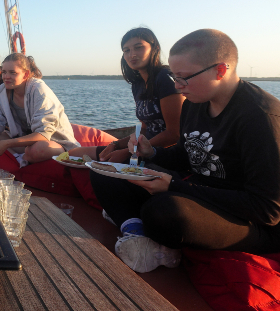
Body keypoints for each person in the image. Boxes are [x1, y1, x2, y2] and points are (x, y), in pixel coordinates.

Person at [90, 29, 280, 274]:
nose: (178, 87)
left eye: (184, 78)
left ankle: (142, 225)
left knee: (164, 212)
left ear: (220, 70)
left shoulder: (260, 118)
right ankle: (135, 231)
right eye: (174, 77)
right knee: (104, 171)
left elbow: (268, 209)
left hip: (250, 221)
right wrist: (152, 154)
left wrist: (173, 186)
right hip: (198, 192)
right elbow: (186, 154)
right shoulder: (194, 103)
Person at [70, 27, 184, 162]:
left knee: (102, 167)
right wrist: (115, 144)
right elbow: (145, 129)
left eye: (138, 47)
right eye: (126, 50)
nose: (132, 54)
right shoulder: (138, 84)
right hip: (142, 147)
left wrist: (129, 153)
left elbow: (174, 134)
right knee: (74, 154)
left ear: (155, 48)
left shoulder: (165, 78)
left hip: (163, 152)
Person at [0, 53, 80, 165]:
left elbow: (43, 134)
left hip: (52, 141)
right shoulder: (1, 92)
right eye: (4, 72)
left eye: (13, 73)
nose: (6, 77)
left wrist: (7, 144)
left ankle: (21, 158)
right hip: (22, 140)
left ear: (25, 75)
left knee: (38, 149)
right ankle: (20, 158)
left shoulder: (39, 91)